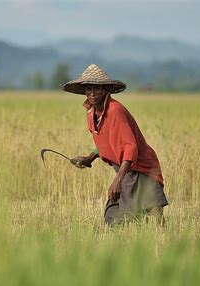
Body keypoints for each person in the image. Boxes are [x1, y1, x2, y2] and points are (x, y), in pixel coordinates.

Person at [64, 64, 168, 225]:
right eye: (88, 89)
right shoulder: (91, 113)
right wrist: (89, 158)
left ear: (106, 89)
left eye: (97, 89)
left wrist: (118, 180)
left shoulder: (115, 110)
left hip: (139, 166)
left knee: (151, 213)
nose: (92, 93)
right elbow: (106, 141)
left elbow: (130, 147)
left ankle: (164, 243)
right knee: (114, 218)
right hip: (125, 168)